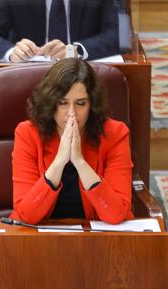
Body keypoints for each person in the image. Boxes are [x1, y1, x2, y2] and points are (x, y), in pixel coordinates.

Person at [10, 58, 133, 225]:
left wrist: (80, 162)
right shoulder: (28, 134)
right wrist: (59, 162)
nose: (71, 113)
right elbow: (26, 216)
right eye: (62, 103)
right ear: (50, 103)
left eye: (81, 103)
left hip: (97, 239)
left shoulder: (114, 134)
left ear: (92, 104)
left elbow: (116, 214)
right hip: (40, 239)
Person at [0, 0, 120, 62]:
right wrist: (12, 53)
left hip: (85, 75)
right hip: (27, 76)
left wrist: (75, 51)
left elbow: (117, 34)